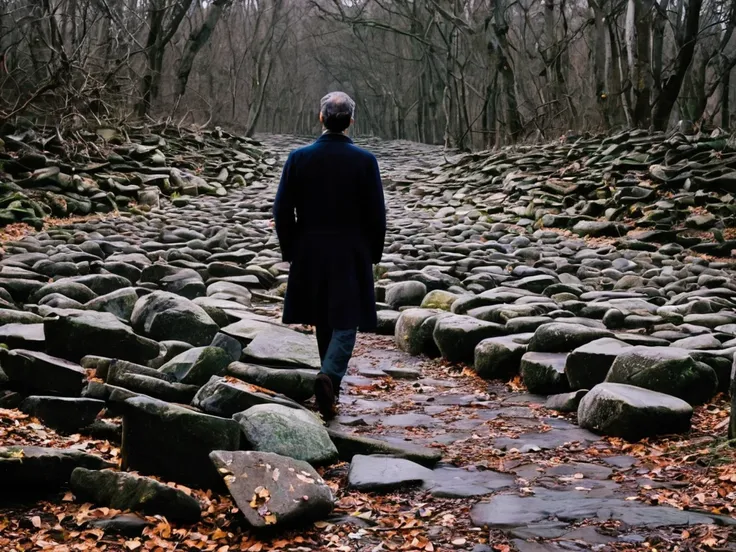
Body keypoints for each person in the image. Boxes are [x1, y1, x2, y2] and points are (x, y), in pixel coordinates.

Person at [272, 91, 386, 419]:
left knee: (324, 317)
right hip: (350, 250)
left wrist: (291, 248)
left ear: (321, 118)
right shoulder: (365, 161)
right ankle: (330, 378)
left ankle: (328, 388)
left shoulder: (298, 157)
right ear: (351, 121)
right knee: (346, 321)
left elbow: (282, 209)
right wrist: (373, 253)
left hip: (309, 248)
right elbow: (377, 215)